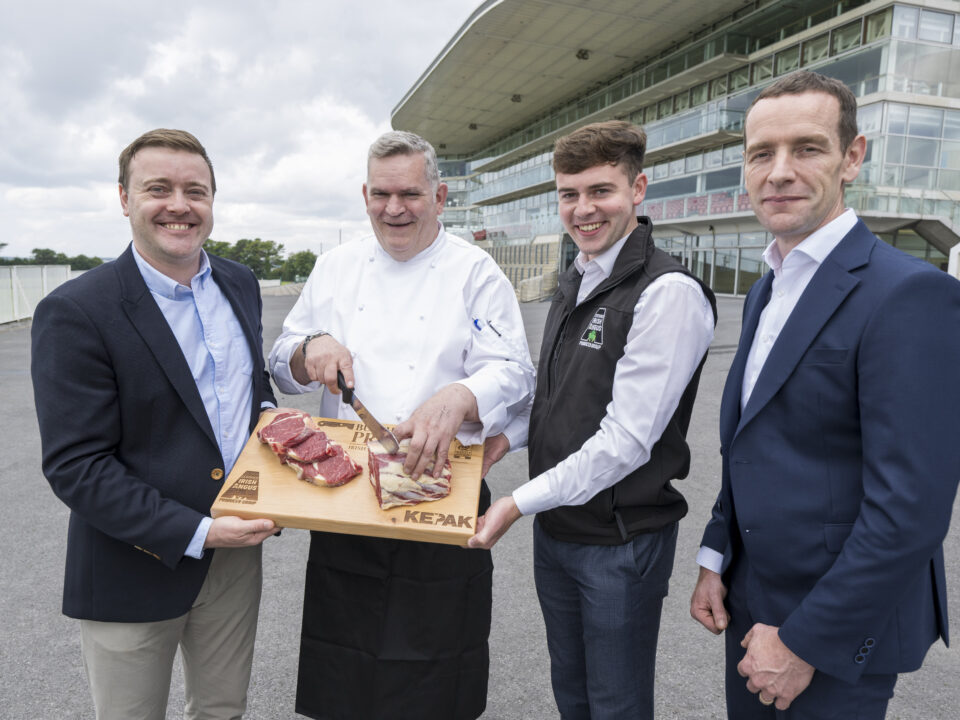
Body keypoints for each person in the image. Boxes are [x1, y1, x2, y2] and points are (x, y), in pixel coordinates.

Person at [690, 70, 960, 718]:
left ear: (852, 158)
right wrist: (715, 554)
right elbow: (752, 440)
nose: (779, 172)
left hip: (835, 630)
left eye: (807, 148)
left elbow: (911, 507)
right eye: (761, 153)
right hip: (752, 603)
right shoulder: (768, 287)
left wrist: (805, 642)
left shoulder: (909, 294)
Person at [268, 130, 535, 720]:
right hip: (348, 494)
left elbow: (516, 372)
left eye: (410, 194)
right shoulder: (335, 267)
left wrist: (463, 394)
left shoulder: (475, 271)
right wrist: (310, 348)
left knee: (439, 660)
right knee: (344, 655)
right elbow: (282, 362)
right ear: (364, 195)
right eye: (381, 194)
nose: (394, 209)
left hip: (442, 488)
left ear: (439, 196)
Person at [469, 120, 716, 719]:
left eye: (600, 190)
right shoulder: (578, 276)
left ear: (638, 189)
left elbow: (626, 441)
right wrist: (504, 439)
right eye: (569, 194)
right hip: (561, 527)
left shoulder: (667, 293)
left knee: (615, 704)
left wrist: (516, 503)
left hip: (620, 541)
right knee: (573, 694)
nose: (583, 209)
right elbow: (560, 396)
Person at [31, 128, 279, 720]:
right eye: (158, 188)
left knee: (223, 710)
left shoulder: (239, 282)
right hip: (132, 563)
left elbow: (251, 390)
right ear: (124, 198)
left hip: (235, 559)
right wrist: (199, 531)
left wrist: (274, 423)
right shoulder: (76, 310)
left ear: (212, 201)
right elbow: (77, 466)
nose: (179, 205)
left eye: (195, 191)